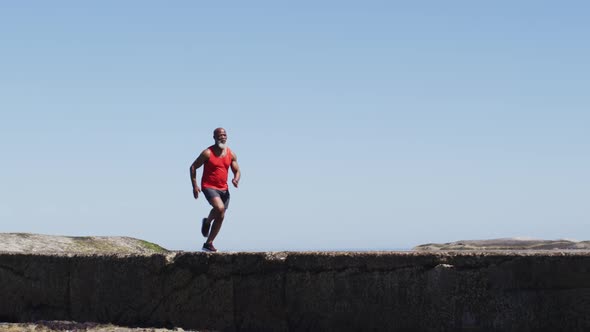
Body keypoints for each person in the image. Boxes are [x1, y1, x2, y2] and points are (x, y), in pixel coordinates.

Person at [189, 127, 241, 252]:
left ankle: (208, 240)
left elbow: (237, 171)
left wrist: (236, 179)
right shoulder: (208, 153)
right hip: (209, 186)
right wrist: (195, 186)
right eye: (219, 135)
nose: (222, 137)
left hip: (224, 189)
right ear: (214, 137)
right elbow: (193, 167)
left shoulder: (231, 154)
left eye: (224, 135)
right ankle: (207, 227)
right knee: (220, 208)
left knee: (220, 214)